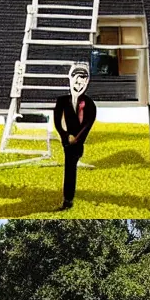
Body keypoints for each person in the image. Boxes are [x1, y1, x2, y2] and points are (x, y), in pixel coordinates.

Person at [53, 63, 97, 210]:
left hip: (77, 143)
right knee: (69, 168)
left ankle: (68, 199)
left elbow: (87, 126)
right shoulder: (62, 101)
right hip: (67, 142)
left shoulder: (90, 104)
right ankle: (68, 199)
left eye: (83, 82)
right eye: (77, 81)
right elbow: (58, 122)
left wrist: (76, 139)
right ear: (71, 80)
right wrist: (65, 137)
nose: (80, 85)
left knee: (71, 166)